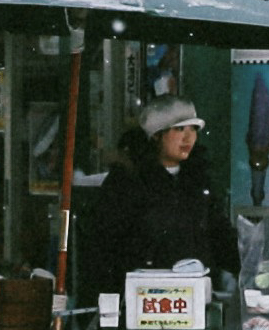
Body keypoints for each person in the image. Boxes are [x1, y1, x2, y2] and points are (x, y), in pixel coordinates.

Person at [82, 95, 240, 289]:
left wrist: (249, 266)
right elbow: (102, 249)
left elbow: (219, 234)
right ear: (157, 134)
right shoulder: (127, 181)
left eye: (193, 129)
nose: (188, 137)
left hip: (195, 294)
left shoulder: (199, 181)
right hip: (141, 297)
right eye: (179, 129)